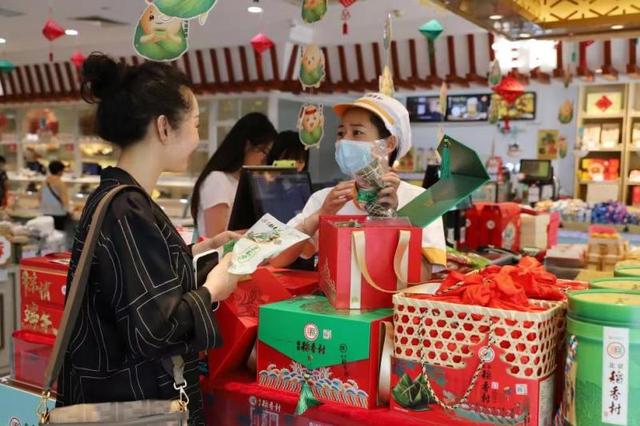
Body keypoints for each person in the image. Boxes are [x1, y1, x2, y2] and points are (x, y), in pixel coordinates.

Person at [56, 53, 240, 426]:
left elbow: (133, 287)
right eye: (195, 124)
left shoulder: (114, 195)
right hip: (136, 405)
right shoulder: (128, 208)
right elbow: (156, 330)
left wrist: (203, 248)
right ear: (164, 128)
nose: (198, 138)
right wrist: (214, 289)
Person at [272, 92, 447, 271]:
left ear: (388, 144)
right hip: (333, 297)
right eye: (341, 133)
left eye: (357, 132)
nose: (344, 141)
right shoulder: (325, 199)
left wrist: (390, 220)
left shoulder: (422, 201)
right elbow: (277, 260)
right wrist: (320, 215)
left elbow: (423, 275)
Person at [191, 112, 277, 238]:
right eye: (265, 151)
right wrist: (264, 233)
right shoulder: (217, 180)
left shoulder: (241, 181)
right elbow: (216, 239)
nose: (265, 160)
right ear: (248, 145)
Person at [40, 160, 69, 230]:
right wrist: (67, 209)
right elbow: (64, 199)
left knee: (48, 233)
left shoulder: (44, 182)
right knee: (58, 234)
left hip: (46, 212)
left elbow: (39, 196)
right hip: (58, 212)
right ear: (60, 171)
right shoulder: (60, 183)